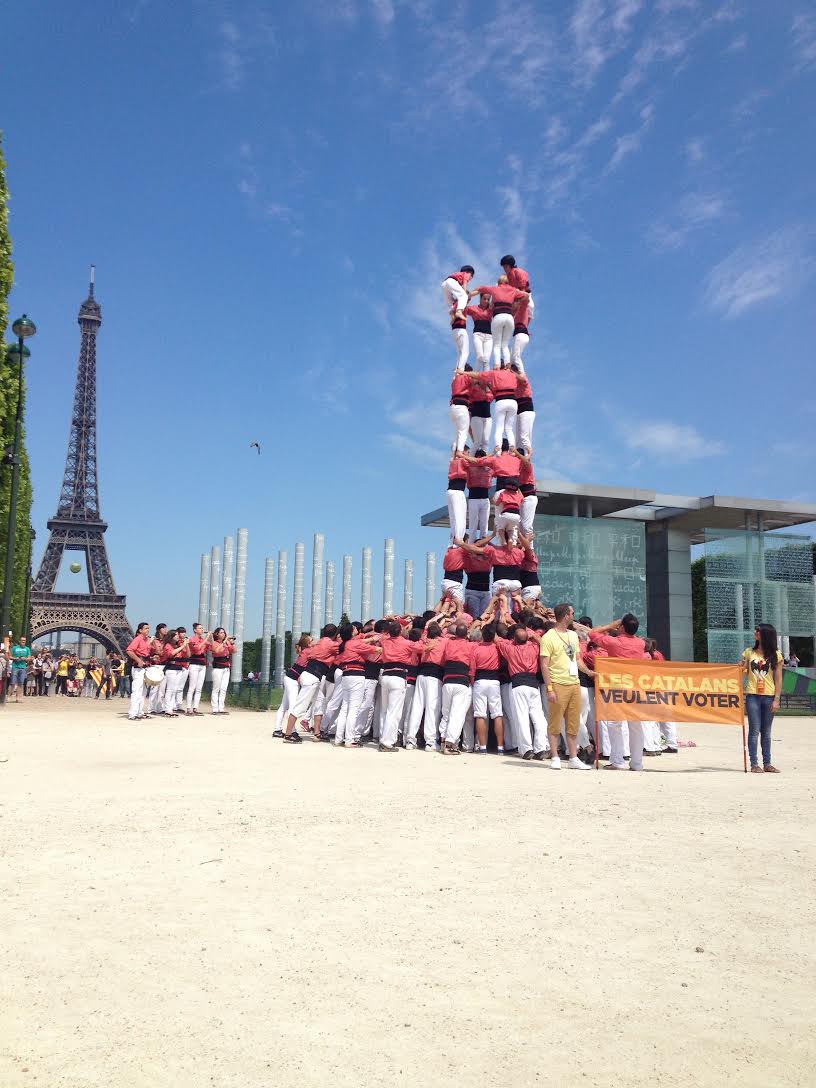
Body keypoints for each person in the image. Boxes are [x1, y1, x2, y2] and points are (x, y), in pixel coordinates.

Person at [589, 614, 648, 771]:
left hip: (617, 688)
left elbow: (592, 633)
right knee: (635, 726)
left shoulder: (614, 642)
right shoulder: (641, 643)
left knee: (615, 725)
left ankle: (618, 761)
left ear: (621, 627)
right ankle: (636, 763)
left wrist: (610, 625)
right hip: (635, 688)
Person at [539, 603, 592, 770]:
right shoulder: (549, 637)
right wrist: (549, 688)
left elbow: (578, 660)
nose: (574, 616)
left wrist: (589, 672)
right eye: (572, 613)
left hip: (574, 683)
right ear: (565, 616)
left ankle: (573, 757)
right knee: (555, 722)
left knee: (573, 722)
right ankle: (555, 756)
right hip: (557, 683)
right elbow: (544, 665)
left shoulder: (573, 636)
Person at [283, 625, 340, 743]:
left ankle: (317, 733)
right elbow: (343, 647)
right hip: (312, 677)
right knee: (301, 705)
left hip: (312, 676)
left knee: (319, 703)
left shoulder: (321, 642)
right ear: (334, 634)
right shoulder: (329, 643)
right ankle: (288, 735)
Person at [741, 623, 783, 773]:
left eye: (758, 631)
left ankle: (767, 763)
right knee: (754, 730)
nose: (755, 632)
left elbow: (778, 679)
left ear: (765, 634)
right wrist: (740, 668)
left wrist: (777, 699)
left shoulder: (776, 655)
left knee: (766, 731)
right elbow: (744, 672)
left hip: (769, 696)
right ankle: (754, 764)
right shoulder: (748, 652)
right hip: (753, 695)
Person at [377, 620, 422, 752]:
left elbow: (380, 637)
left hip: (385, 675)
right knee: (394, 712)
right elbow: (421, 648)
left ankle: (382, 738)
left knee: (384, 711)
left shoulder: (385, 641)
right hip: (398, 676)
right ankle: (387, 742)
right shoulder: (406, 643)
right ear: (401, 631)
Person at [469, 276, 529, 368]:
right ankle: (507, 364)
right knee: (505, 345)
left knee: (497, 345)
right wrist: (518, 298)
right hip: (509, 318)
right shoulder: (512, 290)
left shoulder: (494, 289)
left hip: (498, 317)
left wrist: (468, 295)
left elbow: (479, 289)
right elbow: (526, 295)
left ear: (499, 282)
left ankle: (497, 365)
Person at [405, 621, 445, 751]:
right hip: (434, 676)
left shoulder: (424, 641)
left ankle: (410, 740)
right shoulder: (444, 642)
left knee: (417, 707)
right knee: (432, 708)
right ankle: (430, 742)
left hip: (421, 676)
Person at [438, 622, 475, 754]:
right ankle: (450, 744)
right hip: (461, 681)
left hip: (447, 680)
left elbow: (442, 660)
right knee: (457, 714)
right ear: (466, 634)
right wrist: (472, 680)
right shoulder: (470, 646)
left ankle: (443, 741)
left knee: (446, 713)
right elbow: (472, 667)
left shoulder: (448, 643)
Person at [471, 622, 504, 753]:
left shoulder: (476, 648)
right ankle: (500, 747)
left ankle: (483, 747)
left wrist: (473, 681)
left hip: (480, 680)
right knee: (497, 714)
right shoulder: (497, 648)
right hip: (494, 681)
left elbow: (472, 669)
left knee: (480, 715)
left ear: (483, 635)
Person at [472, 366, 518, 452]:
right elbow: (487, 396)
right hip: (477, 415)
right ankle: (509, 448)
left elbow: (490, 397)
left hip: (490, 413)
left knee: (491, 436)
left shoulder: (493, 377)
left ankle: (500, 448)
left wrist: (488, 388)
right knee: (478, 441)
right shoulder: (475, 388)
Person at [126, 622, 152, 721]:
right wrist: (138, 660)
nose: (148, 630)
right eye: (146, 628)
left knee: (143, 692)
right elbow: (129, 650)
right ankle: (132, 714)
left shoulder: (146, 640)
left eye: (148, 628)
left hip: (145, 667)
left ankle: (139, 712)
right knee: (137, 691)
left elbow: (145, 653)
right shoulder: (138, 639)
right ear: (140, 630)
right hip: (138, 668)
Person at [465, 452, 494, 542]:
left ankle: (479, 544)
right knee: (482, 524)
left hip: (477, 498)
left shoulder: (472, 467)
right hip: (480, 498)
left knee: (476, 524)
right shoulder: (487, 468)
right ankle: (481, 543)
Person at [161, 629, 190, 717]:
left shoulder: (179, 645)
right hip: (171, 668)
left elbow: (188, 655)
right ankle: (167, 709)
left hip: (179, 667)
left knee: (175, 689)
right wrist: (182, 647)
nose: (178, 636)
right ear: (171, 636)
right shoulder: (168, 645)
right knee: (170, 689)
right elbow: (171, 653)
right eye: (176, 635)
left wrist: (186, 645)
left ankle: (171, 707)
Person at [462, 292, 493, 370]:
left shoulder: (491, 309)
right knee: (480, 357)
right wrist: (467, 298)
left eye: (488, 299)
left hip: (489, 337)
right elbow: (463, 308)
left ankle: (486, 380)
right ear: (480, 299)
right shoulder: (474, 308)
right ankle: (476, 379)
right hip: (478, 335)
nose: (486, 301)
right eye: (484, 299)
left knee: (486, 360)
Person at [185, 623, 210, 716]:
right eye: (200, 628)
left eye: (202, 628)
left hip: (202, 664)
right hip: (194, 663)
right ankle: (188, 708)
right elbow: (197, 649)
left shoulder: (202, 639)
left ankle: (195, 707)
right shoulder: (192, 639)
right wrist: (206, 639)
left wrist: (209, 637)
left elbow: (210, 647)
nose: (202, 629)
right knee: (192, 687)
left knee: (199, 688)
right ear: (195, 630)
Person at [209, 627, 235, 715]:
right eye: (221, 632)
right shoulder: (215, 643)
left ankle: (221, 707)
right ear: (217, 634)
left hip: (226, 668)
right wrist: (224, 642)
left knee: (223, 689)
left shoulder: (227, 643)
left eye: (224, 633)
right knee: (216, 688)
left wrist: (231, 643)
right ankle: (215, 708)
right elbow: (216, 651)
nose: (223, 634)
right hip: (217, 668)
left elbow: (234, 651)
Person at [446, 450, 469, 545]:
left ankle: (453, 541)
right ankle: (458, 541)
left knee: (453, 518)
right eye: (468, 452)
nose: (468, 454)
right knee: (460, 518)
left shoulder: (452, 461)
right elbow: (474, 463)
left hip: (449, 491)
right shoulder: (462, 461)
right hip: (457, 492)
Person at [449, 368, 473, 452]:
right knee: (463, 433)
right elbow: (477, 380)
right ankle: (459, 452)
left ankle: (453, 455)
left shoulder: (454, 380)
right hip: (461, 407)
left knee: (458, 433)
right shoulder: (466, 378)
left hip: (453, 408)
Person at [514, 372, 535, 451]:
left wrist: (511, 372)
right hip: (520, 412)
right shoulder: (514, 386)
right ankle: (520, 458)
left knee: (524, 437)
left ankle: (527, 457)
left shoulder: (523, 379)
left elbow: (523, 380)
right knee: (518, 440)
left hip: (527, 411)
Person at [9, 635, 31, 701]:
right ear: (19, 641)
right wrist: (16, 658)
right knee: (12, 683)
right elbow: (10, 656)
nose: (23, 642)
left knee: (20, 683)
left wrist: (25, 658)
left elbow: (29, 658)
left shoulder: (27, 649)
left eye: (24, 641)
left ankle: (17, 697)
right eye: (22, 640)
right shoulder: (15, 648)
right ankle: (9, 696)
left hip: (23, 667)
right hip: (15, 666)